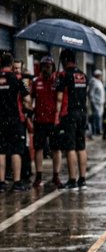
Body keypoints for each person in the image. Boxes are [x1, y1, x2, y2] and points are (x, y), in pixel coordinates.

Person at [55, 49, 89, 189]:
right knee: (81, 147)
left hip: (69, 114)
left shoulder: (64, 76)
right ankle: (82, 179)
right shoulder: (83, 75)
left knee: (70, 147)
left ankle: (72, 180)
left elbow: (59, 98)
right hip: (82, 113)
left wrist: (57, 117)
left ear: (64, 61)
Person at [0, 51, 32, 192]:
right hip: (15, 120)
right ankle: (17, 182)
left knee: (0, 151)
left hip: (0, 120)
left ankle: (0, 183)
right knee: (15, 151)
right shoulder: (18, 79)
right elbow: (27, 99)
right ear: (12, 64)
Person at [31, 56, 63, 189]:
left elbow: (60, 100)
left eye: (48, 66)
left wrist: (57, 115)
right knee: (38, 148)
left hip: (53, 121)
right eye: (44, 66)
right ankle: (38, 176)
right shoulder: (36, 81)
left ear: (53, 67)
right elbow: (29, 97)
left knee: (56, 149)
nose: (46, 69)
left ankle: (56, 175)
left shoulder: (57, 81)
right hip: (39, 120)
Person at [88, 69, 105, 137]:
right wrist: (93, 103)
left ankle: (97, 130)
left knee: (98, 117)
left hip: (100, 103)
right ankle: (94, 132)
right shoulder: (93, 82)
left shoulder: (98, 82)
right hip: (96, 103)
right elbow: (91, 93)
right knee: (95, 118)